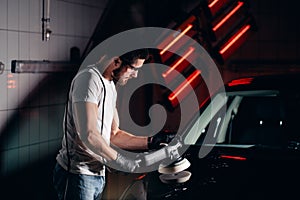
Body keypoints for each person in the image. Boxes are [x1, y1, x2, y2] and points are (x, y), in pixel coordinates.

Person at [53, 49, 176, 200]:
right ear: (117, 61)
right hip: (77, 174)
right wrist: (122, 162)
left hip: (97, 173)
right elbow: (89, 134)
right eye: (133, 69)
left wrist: (152, 141)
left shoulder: (110, 85)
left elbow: (114, 135)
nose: (135, 75)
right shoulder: (88, 79)